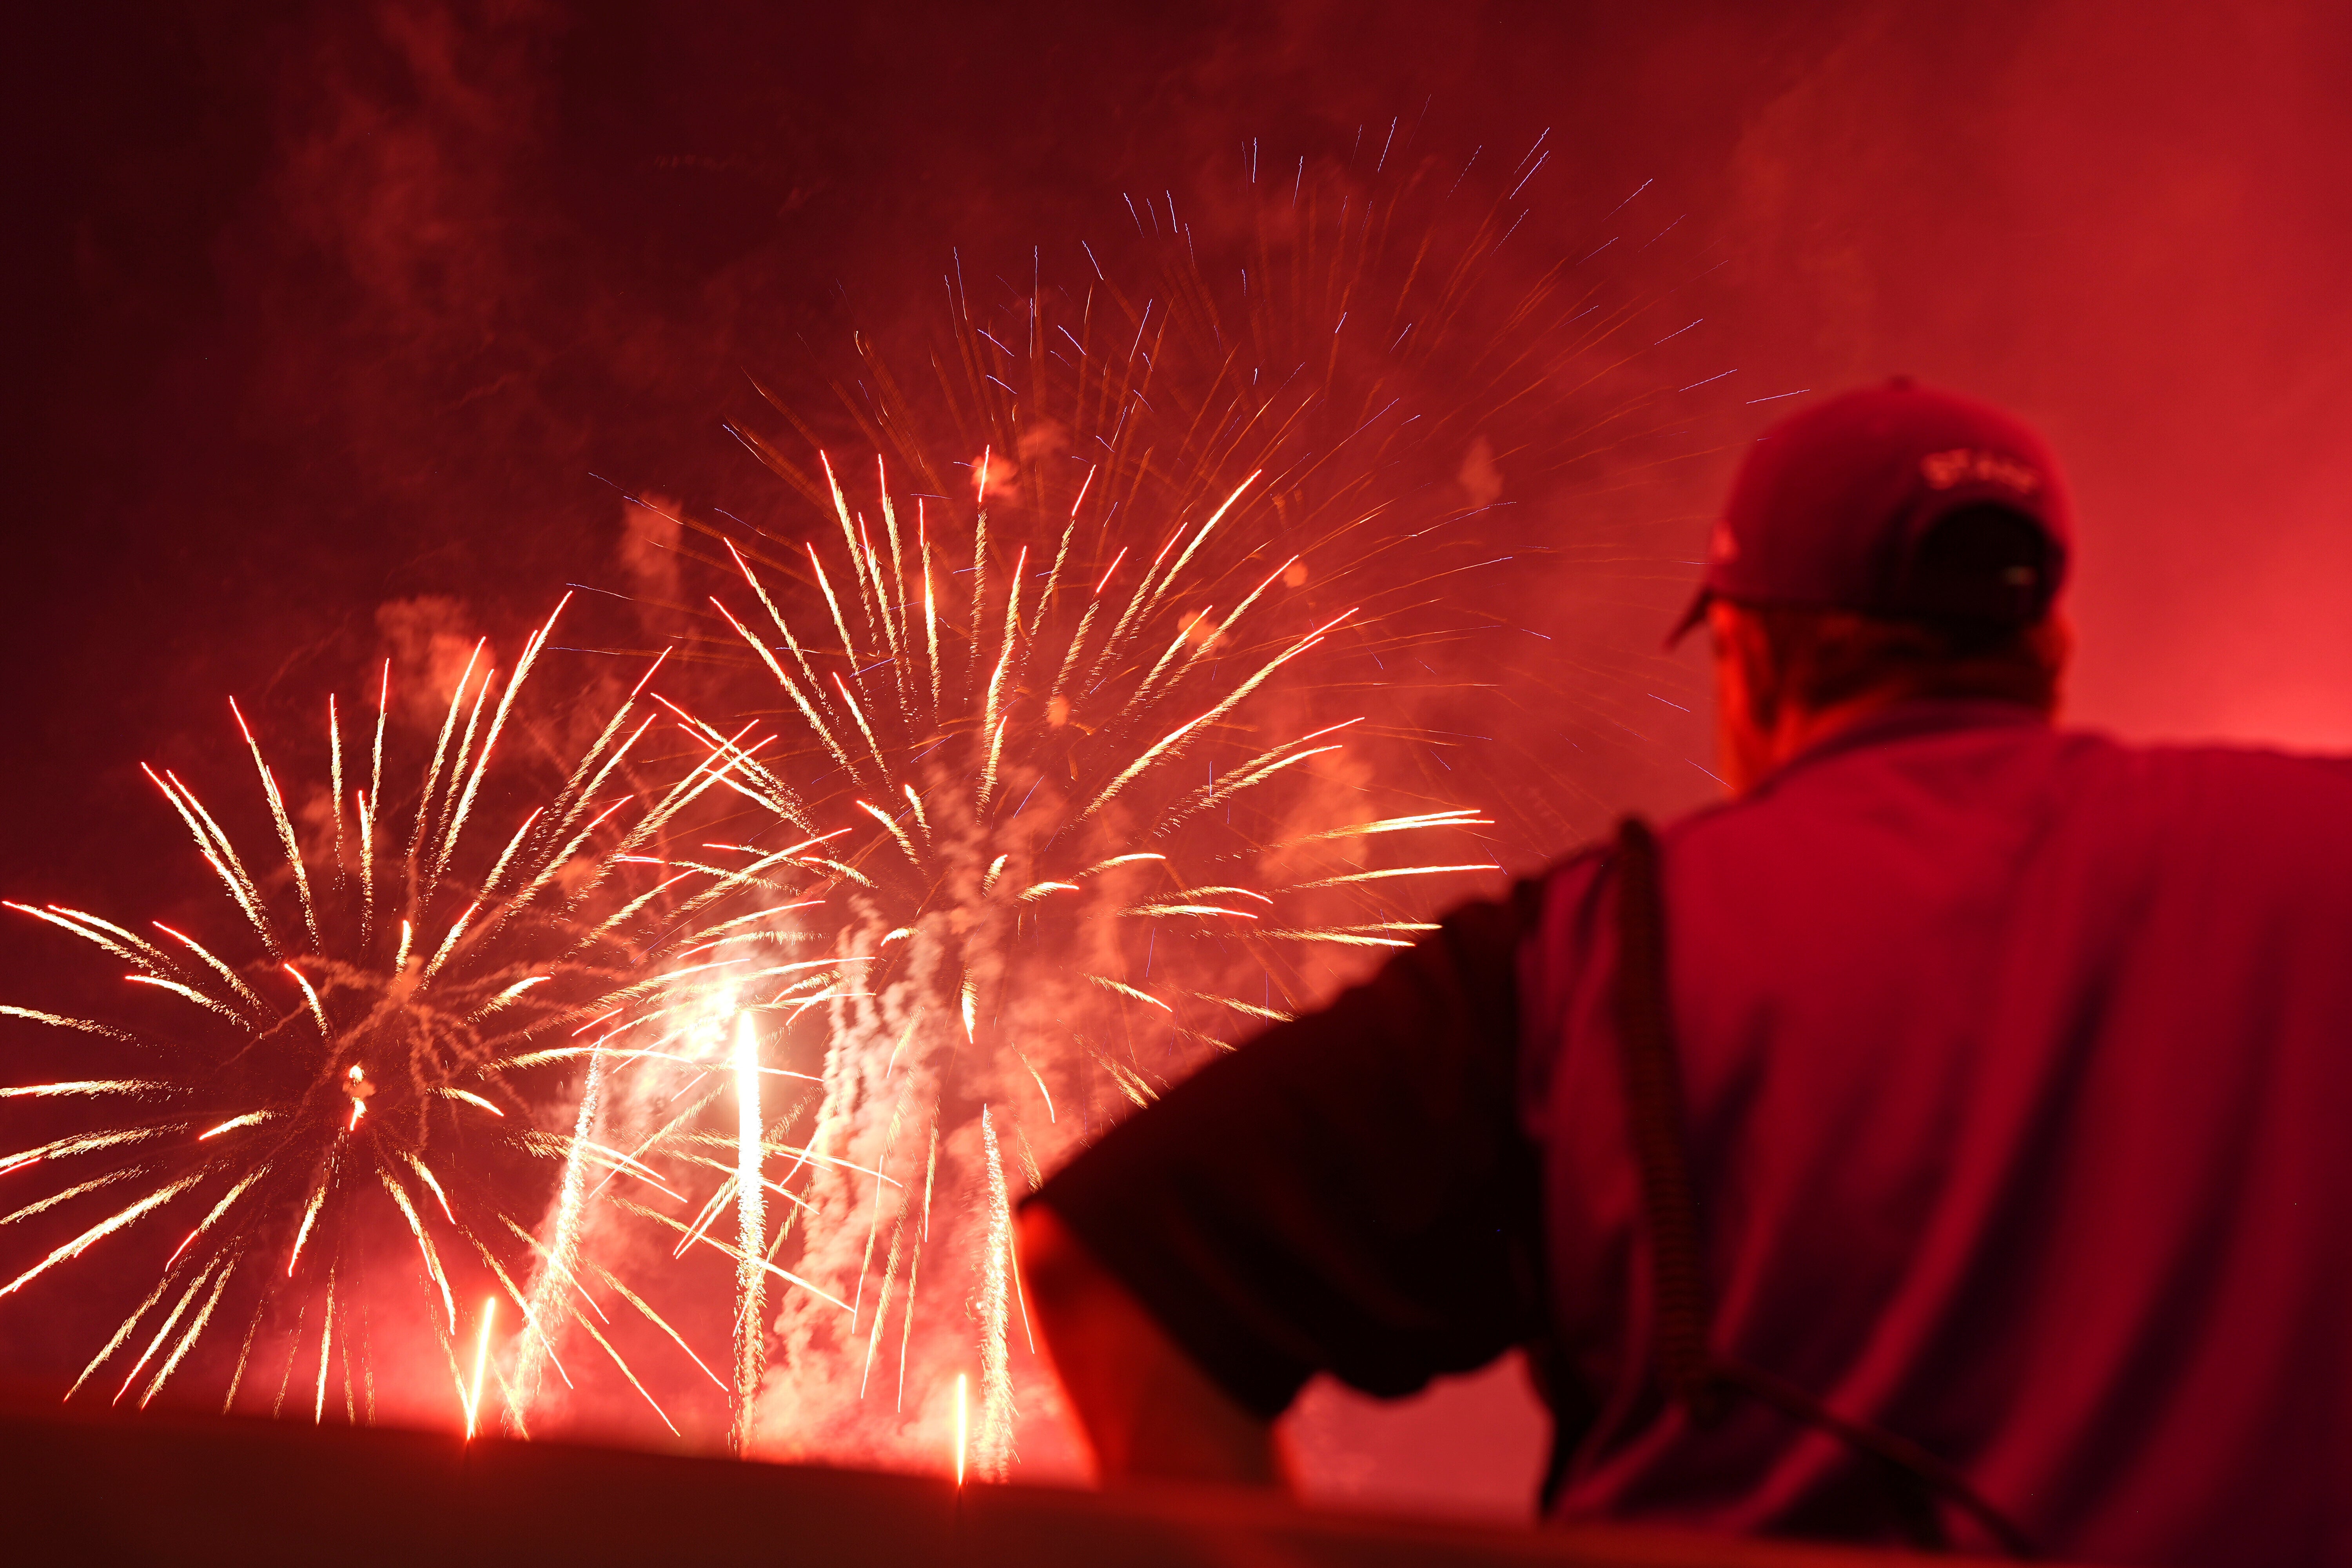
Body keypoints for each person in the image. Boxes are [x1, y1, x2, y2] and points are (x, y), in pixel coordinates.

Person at [1018, 379, 2352, 1566]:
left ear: (1750, 657)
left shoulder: (1601, 954)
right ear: (2048, 648)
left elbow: (1108, 1263)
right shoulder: (2319, 857)